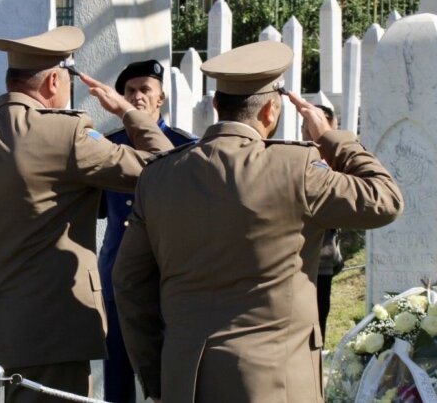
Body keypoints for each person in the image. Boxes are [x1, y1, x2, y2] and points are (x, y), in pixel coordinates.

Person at [113, 41, 404, 402]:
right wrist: (331, 139)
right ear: (271, 111)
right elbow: (385, 199)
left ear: (217, 106)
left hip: (186, 378)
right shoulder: (295, 168)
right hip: (275, 380)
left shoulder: (158, 177)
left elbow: (128, 282)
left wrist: (159, 376)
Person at [0, 26, 173, 402]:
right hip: (54, 339)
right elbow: (165, 167)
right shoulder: (67, 135)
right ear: (54, 80)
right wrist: (128, 113)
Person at [99, 59, 196, 403]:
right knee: (118, 378)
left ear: (161, 99)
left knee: (171, 375)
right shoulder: (106, 146)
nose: (137, 97)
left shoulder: (185, 145)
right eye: (129, 91)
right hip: (117, 278)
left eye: (145, 90)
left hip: (167, 275)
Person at [301, 103, 345, 344]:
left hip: (324, 261)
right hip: (300, 261)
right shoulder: (300, 162)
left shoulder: (337, 165)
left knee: (319, 329)